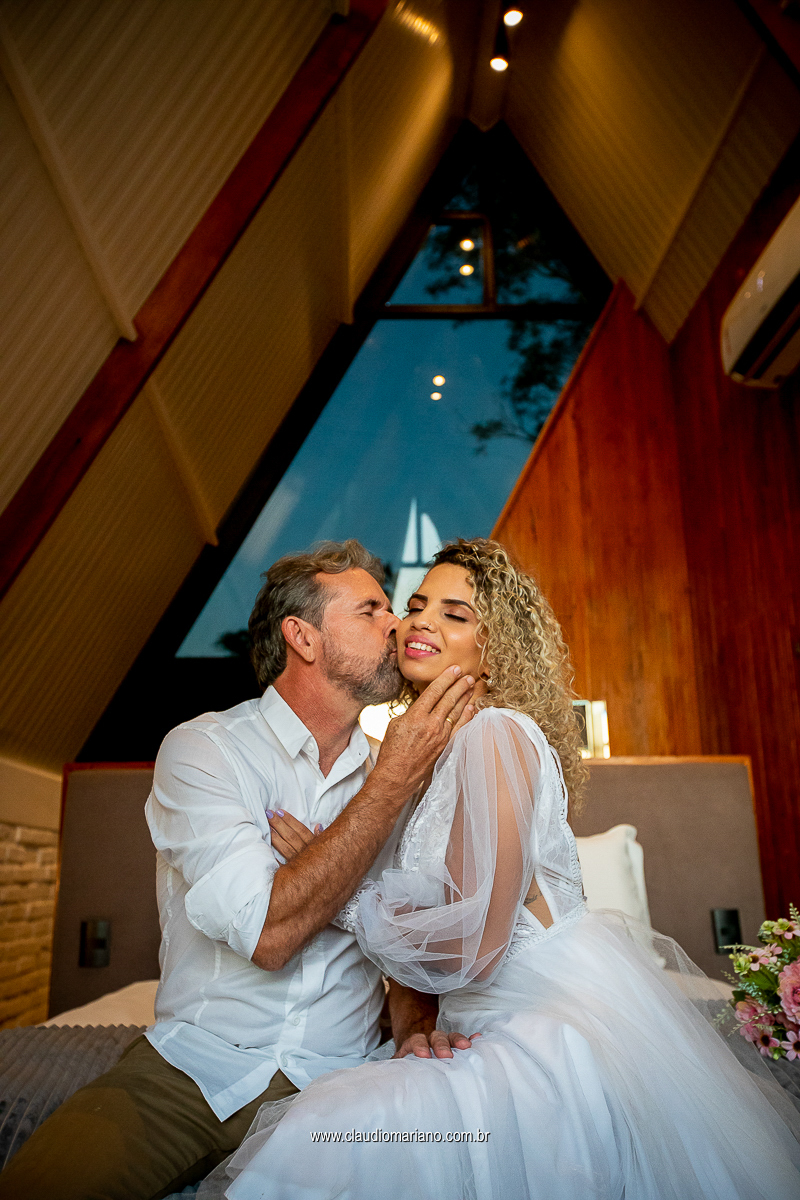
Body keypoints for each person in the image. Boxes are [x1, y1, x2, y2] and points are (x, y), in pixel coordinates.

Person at [197, 538, 800, 1200]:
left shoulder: (494, 736)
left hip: (535, 1026)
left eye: (455, 614)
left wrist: (339, 897)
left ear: (495, 649)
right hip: (476, 1022)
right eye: (417, 605)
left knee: (329, 1131)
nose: (419, 622)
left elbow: (474, 946)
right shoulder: (439, 754)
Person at [0, 541, 478, 1200]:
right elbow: (268, 934)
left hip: (339, 1084)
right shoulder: (203, 751)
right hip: (192, 1071)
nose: (397, 625)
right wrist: (389, 783)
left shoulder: (400, 768)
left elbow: (403, 936)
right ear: (302, 637)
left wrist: (415, 1020)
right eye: (371, 610)